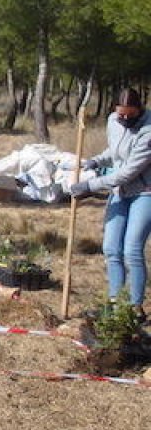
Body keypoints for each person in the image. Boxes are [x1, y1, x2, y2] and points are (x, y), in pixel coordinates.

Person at [68, 88, 151, 321]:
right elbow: (115, 153)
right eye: (120, 115)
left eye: (129, 115)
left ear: (139, 110)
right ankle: (115, 302)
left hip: (145, 192)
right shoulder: (113, 121)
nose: (124, 119)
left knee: (132, 249)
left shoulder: (148, 131)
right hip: (119, 191)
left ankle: (135, 307)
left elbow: (129, 171)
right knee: (112, 247)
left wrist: (92, 186)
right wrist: (96, 160)